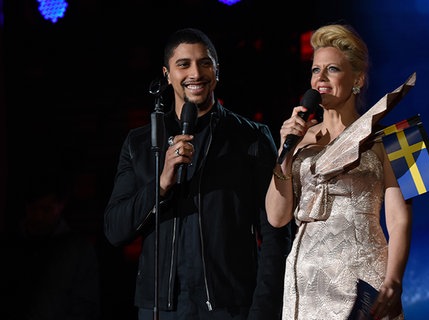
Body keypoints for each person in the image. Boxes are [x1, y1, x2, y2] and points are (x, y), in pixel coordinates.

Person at [103, 27, 291, 320]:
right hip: (160, 309)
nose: (196, 73)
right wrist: (162, 181)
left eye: (205, 62)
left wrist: (263, 309)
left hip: (230, 306)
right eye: (184, 64)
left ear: (217, 70)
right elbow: (115, 230)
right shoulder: (140, 143)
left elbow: (275, 233)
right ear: (167, 74)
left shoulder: (250, 137)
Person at [265, 24, 413, 320]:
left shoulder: (399, 137)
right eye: (315, 69)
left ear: (357, 78)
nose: (320, 78)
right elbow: (276, 217)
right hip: (306, 280)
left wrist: (394, 280)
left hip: (362, 278)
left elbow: (400, 219)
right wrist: (285, 152)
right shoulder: (297, 140)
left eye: (331, 69)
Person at [0, 171, 101, 320]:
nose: (39, 216)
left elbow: (85, 305)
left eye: (46, 209)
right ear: (26, 207)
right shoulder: (10, 245)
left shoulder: (78, 250)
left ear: (60, 206)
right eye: (34, 209)